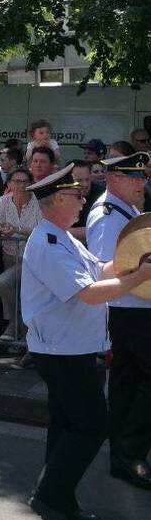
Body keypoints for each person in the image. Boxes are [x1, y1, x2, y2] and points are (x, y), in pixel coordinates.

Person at [21, 163, 151, 520]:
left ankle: (61, 499)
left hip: (74, 346)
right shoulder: (46, 244)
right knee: (92, 425)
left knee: (66, 425)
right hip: (59, 349)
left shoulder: (63, 238)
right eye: (77, 195)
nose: (83, 201)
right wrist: (139, 278)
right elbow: (90, 293)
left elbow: (100, 269)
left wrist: (136, 262)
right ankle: (48, 497)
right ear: (58, 199)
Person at [85, 150, 151, 490]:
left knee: (128, 382)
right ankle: (131, 452)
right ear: (113, 178)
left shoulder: (125, 210)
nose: (142, 183)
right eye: (134, 177)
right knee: (136, 380)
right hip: (129, 309)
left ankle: (125, 455)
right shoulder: (109, 215)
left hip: (136, 308)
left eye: (142, 177)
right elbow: (103, 267)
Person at [0, 168, 41, 341]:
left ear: (31, 183)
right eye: (16, 181)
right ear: (9, 184)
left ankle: (14, 324)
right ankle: (24, 342)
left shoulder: (38, 202)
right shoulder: (4, 200)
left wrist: (16, 230)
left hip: (31, 259)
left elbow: (40, 230)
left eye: (25, 181)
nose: (21, 185)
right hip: (9, 256)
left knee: (4, 282)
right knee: (19, 296)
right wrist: (1, 230)